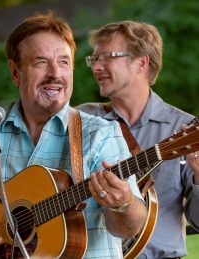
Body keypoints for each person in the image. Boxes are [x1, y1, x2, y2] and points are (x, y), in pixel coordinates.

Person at [0, 13, 147, 258]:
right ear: (15, 72)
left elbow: (127, 228)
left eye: (63, 62)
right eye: (41, 62)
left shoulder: (101, 135)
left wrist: (123, 203)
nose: (55, 73)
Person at [77, 20, 199, 258]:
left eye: (107, 57)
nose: (96, 67)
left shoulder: (182, 129)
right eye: (94, 59)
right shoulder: (81, 120)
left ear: (141, 63)